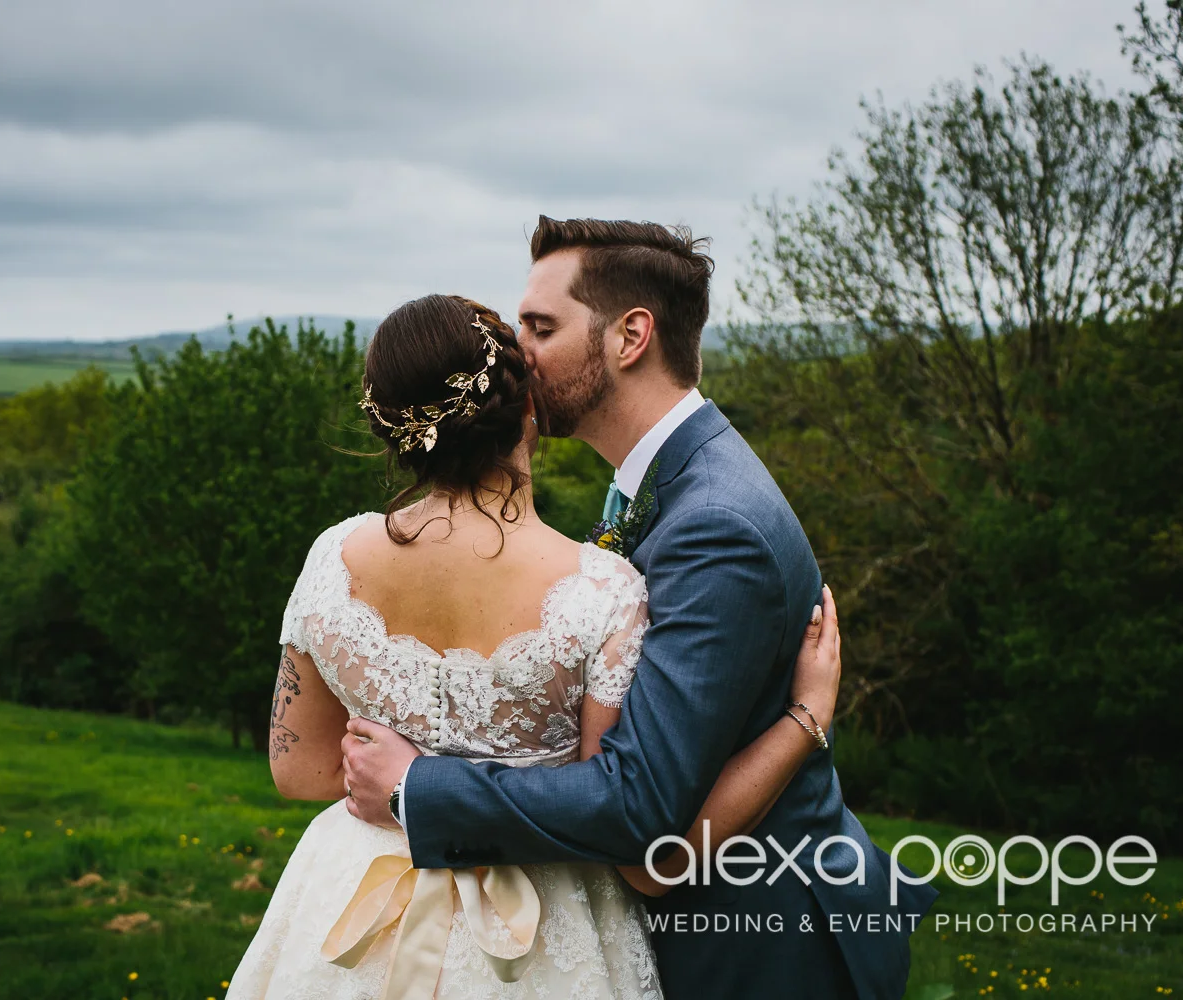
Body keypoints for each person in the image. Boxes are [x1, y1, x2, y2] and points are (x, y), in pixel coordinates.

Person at [341, 218, 938, 999]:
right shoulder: (663, 482)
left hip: (761, 949)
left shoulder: (716, 526)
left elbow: (639, 804)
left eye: (541, 327)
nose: (515, 353)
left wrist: (419, 785)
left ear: (630, 337)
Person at [226, 291, 844, 999]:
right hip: (545, 930)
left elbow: (298, 771)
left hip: (351, 895)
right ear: (527, 410)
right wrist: (806, 718)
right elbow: (633, 838)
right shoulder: (600, 592)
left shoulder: (333, 558)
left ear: (391, 426)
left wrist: (404, 781)